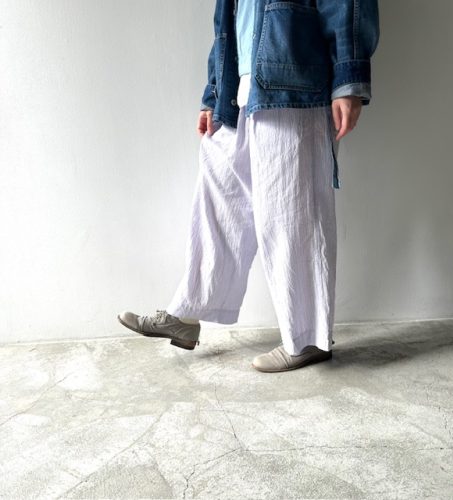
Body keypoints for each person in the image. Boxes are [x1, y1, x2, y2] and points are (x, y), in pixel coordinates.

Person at [118, 0, 380, 373]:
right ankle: (188, 313)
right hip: (240, 91)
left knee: (292, 213)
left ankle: (308, 338)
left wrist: (348, 81)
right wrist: (213, 95)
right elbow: (226, 26)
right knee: (219, 199)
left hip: (294, 83)